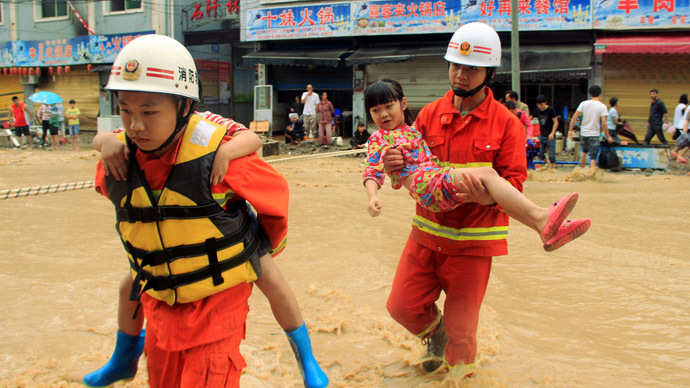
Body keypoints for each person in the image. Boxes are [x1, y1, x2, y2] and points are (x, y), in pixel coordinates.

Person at [86, 34, 329, 388]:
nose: (135, 125)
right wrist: (104, 141)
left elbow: (273, 194)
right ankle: (124, 356)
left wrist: (260, 246)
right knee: (130, 286)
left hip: (223, 280)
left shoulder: (215, 145)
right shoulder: (117, 157)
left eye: (149, 112)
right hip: (160, 290)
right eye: (125, 110)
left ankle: (305, 356)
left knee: (270, 276)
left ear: (184, 107)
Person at [379, 23, 590, 378]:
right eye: (455, 65)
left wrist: (489, 200)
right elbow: (410, 172)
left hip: (473, 245)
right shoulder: (429, 114)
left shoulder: (508, 124)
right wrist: (391, 165)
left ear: (489, 72)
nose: (460, 74)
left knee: (463, 333)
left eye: (471, 67)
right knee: (401, 306)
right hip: (426, 236)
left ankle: (460, 379)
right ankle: (436, 334)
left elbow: (515, 184)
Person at [568, 85, 613, 170]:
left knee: (584, 152)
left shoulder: (583, 103)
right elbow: (604, 123)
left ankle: (581, 171)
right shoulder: (602, 106)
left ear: (590, 94)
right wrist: (608, 136)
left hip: (583, 133)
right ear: (600, 94)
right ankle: (592, 176)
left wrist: (570, 130)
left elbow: (574, 117)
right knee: (593, 157)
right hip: (594, 134)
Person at [531, 95, 560, 169]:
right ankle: (548, 164)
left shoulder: (550, 110)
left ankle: (553, 168)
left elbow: (556, 122)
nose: (540, 106)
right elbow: (529, 119)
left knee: (551, 155)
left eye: (542, 104)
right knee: (540, 153)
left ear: (545, 103)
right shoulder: (537, 110)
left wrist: (552, 133)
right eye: (539, 105)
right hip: (542, 135)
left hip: (550, 135)